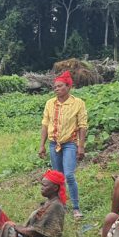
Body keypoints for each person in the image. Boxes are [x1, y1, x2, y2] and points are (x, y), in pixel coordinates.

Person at [39, 71, 88, 219]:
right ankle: (60, 205)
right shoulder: (50, 103)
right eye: (55, 87)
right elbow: (45, 124)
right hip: (54, 144)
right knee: (57, 177)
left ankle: (75, 207)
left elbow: (82, 125)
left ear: (68, 87)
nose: (56, 89)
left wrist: (81, 146)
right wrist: (42, 145)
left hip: (70, 143)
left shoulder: (78, 103)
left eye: (60, 86)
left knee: (69, 175)